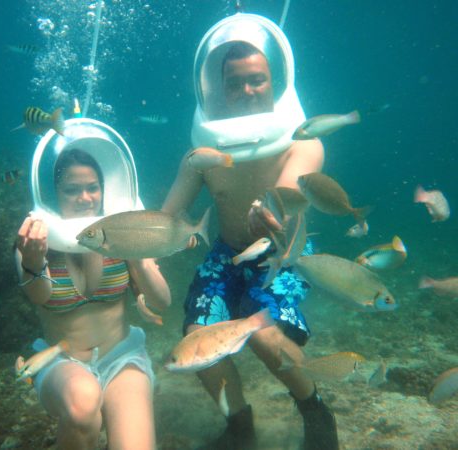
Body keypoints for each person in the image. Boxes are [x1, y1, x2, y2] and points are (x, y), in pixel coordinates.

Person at [162, 41, 339, 449]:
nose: (246, 90)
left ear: (276, 83)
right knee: (196, 341)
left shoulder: (304, 142)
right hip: (226, 253)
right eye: (235, 83)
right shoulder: (201, 155)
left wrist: (275, 219)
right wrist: (140, 249)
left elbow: (287, 195)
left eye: (256, 80)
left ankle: (313, 407)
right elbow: (169, 216)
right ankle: (239, 423)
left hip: (280, 253)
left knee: (264, 336)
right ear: (217, 89)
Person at [15, 148, 171, 450]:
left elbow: (162, 301)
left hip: (122, 356)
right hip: (60, 361)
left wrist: (138, 257)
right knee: (83, 404)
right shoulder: (35, 240)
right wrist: (32, 261)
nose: (85, 198)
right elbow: (38, 296)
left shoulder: (119, 232)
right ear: (53, 194)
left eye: (92, 188)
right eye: (71, 190)